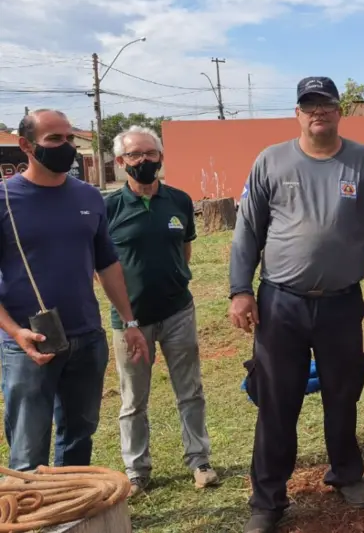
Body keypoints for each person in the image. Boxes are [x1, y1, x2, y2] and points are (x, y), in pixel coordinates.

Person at [229, 77, 364, 533]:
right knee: (278, 401)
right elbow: (247, 230)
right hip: (281, 303)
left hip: (342, 303)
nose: (317, 111)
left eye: (325, 103)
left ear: (340, 110)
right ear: (298, 113)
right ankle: (268, 498)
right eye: (309, 105)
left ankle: (346, 472)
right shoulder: (271, 161)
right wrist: (240, 289)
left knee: (343, 394)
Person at [0, 109, 147, 472]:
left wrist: (129, 323)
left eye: (69, 138)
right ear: (26, 146)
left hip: (86, 338)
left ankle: (71, 518)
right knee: (28, 447)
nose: (65, 146)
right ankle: (32, 518)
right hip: (29, 345)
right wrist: (15, 332)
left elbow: (108, 264)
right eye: (54, 139)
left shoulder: (89, 197)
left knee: (79, 437)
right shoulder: (4, 200)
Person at [106, 126, 218, 497]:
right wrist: (129, 317)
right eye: (135, 156)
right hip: (130, 320)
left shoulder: (180, 201)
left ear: (161, 157)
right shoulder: (109, 208)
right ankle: (137, 470)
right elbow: (102, 267)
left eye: (150, 153)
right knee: (133, 398)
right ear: (121, 162)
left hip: (177, 311)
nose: (143, 161)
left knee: (190, 389)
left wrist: (177, 281)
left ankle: (199, 460)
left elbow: (184, 251)